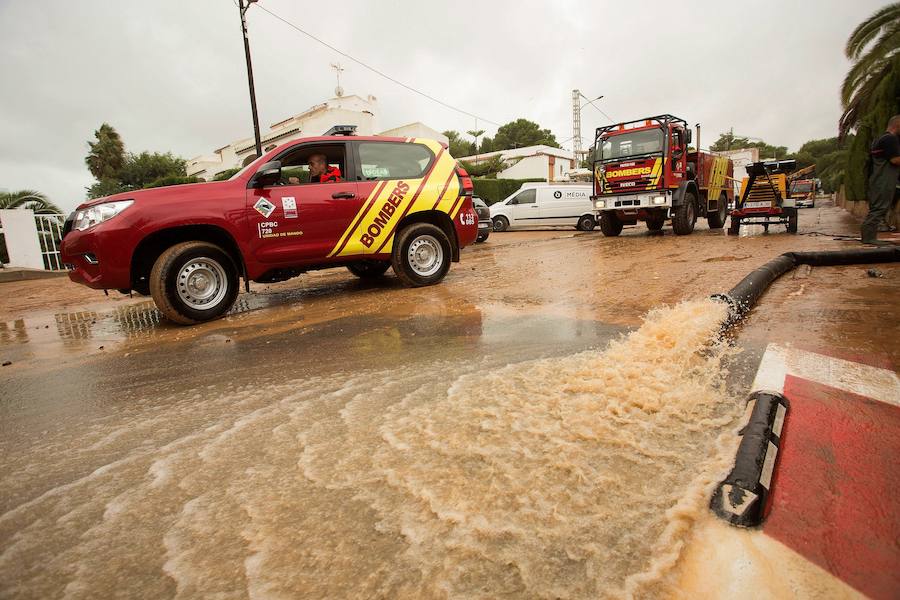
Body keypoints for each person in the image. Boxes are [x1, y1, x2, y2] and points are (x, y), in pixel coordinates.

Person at [861, 115, 900, 245]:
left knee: (877, 208)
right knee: (879, 208)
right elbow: (895, 160)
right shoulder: (890, 139)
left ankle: (868, 236)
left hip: (877, 179)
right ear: (897, 125)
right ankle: (868, 238)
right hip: (883, 180)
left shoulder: (880, 139)